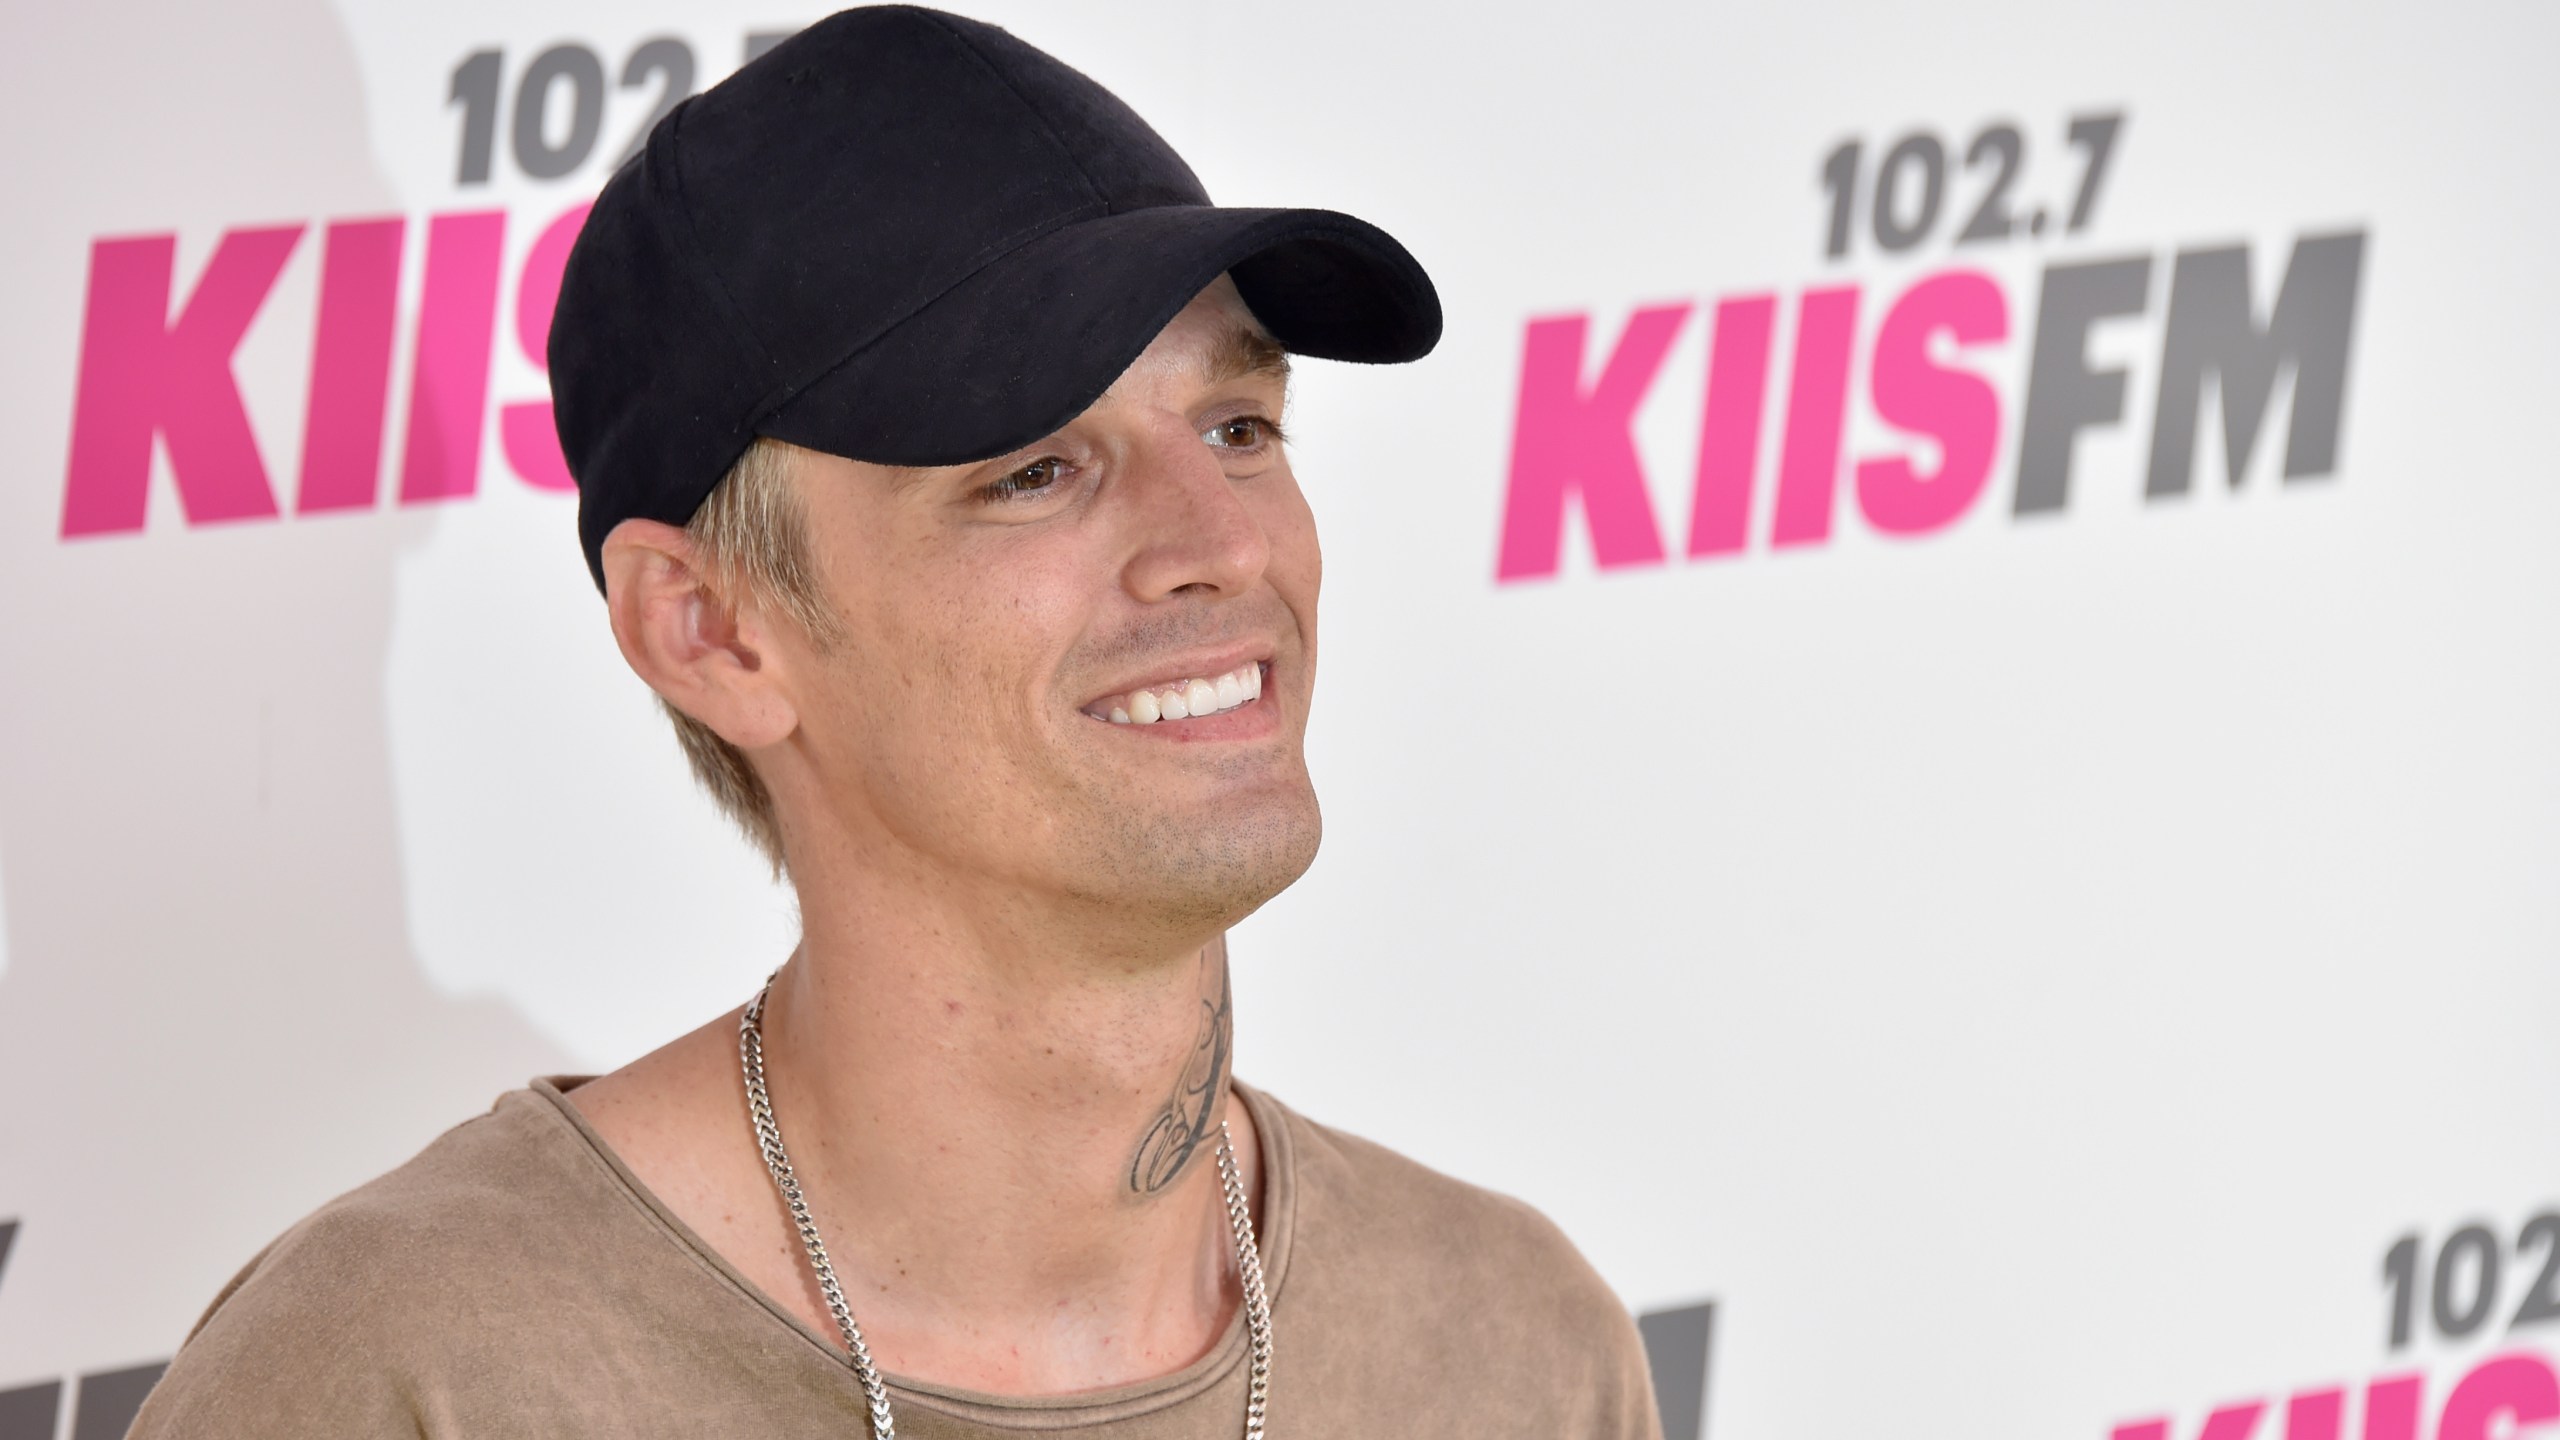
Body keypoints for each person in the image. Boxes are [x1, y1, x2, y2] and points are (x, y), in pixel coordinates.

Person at [129, 7, 1662, 1436]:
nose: (1221, 539)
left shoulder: (1517, 1350)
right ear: (711, 630)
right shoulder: (415, 1379)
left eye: (1238, 425)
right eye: (1034, 469)